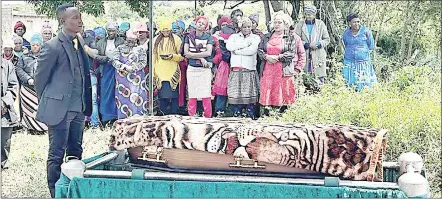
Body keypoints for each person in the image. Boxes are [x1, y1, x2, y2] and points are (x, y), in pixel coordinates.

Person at [34, 3, 92, 197]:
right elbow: (40, 80)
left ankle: (71, 189)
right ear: (62, 21)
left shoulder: (78, 42)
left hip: (78, 108)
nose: (79, 20)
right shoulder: (52, 47)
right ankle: (55, 192)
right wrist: (52, 102)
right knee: (56, 153)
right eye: (75, 17)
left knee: (75, 150)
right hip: (60, 109)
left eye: (79, 16)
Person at [258, 11, 306, 116]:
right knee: (268, 94)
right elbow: (260, 50)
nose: (277, 24)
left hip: (283, 71)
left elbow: (291, 53)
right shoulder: (266, 37)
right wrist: (266, 56)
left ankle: (283, 117)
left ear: (285, 24)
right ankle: (267, 116)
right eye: (275, 22)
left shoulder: (291, 38)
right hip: (268, 70)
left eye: (279, 22)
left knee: (284, 95)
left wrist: (278, 57)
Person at [226, 17, 261, 119]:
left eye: (249, 27)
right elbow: (229, 47)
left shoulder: (255, 38)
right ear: (240, 27)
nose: (246, 29)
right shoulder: (234, 36)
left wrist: (237, 51)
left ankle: (250, 116)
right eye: (244, 27)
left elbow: (251, 51)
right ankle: (237, 115)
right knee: (236, 95)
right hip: (236, 70)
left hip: (248, 70)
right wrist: (245, 44)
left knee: (249, 96)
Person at [16, 33, 48, 135]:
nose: (35, 47)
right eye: (33, 45)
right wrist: (28, 78)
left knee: (40, 108)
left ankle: (42, 128)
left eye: (37, 45)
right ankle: (29, 128)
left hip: (41, 88)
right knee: (28, 109)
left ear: (40, 45)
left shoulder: (45, 57)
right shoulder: (24, 57)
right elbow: (19, 69)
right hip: (27, 88)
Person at [94, 21, 125, 126]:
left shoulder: (121, 41)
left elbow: (125, 54)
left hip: (118, 70)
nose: (111, 33)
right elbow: (96, 56)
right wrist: (107, 59)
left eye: (113, 30)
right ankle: (106, 118)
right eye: (109, 30)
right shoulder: (100, 42)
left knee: (117, 92)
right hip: (106, 69)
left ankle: (117, 117)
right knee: (105, 93)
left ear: (117, 31)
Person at [183, 16, 214, 118]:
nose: (200, 24)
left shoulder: (208, 37)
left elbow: (208, 52)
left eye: (203, 23)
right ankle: (192, 115)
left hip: (204, 69)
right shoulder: (188, 37)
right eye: (199, 22)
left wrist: (194, 55)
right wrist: (201, 58)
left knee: (205, 93)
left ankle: (207, 116)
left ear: (206, 27)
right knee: (192, 93)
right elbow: (186, 53)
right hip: (192, 68)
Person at [112, 30, 148, 118]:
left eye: (133, 41)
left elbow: (143, 62)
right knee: (123, 99)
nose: (130, 42)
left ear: (136, 40)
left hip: (136, 79)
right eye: (129, 40)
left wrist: (132, 68)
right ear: (125, 39)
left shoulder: (140, 49)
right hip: (122, 79)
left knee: (136, 98)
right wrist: (122, 66)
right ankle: (123, 120)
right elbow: (114, 60)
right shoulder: (119, 48)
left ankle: (138, 120)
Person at [153, 19, 184, 115]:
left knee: (174, 95)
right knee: (162, 96)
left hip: (172, 71)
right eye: (163, 30)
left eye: (167, 30)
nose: (165, 32)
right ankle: (163, 115)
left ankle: (174, 114)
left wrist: (173, 56)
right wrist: (154, 71)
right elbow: (154, 57)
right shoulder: (155, 40)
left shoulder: (177, 39)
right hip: (160, 71)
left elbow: (181, 57)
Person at [294, 5, 330, 85]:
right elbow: (296, 39)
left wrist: (318, 44)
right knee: (304, 76)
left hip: (318, 53)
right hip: (304, 52)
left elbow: (327, 39)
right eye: (306, 14)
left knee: (319, 76)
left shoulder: (320, 24)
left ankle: (319, 93)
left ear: (314, 15)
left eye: (309, 14)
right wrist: (307, 44)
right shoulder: (300, 24)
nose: (308, 16)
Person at [342, 13, 377, 91]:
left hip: (363, 61)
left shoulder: (366, 31)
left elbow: (371, 45)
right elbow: (345, 44)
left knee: (364, 83)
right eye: (354, 22)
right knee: (349, 83)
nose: (357, 24)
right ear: (349, 23)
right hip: (349, 61)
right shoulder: (346, 33)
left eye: (358, 22)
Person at [212, 17, 234, 117]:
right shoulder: (216, 37)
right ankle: (219, 110)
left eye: (227, 24)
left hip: (234, 64)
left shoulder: (234, 36)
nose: (225, 27)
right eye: (222, 25)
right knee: (221, 88)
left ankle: (233, 110)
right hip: (223, 65)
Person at [1, 52, 19, 170]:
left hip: (4, 108)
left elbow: (13, 86)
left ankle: (3, 162)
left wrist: (3, 102)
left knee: (4, 140)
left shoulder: (8, 65)